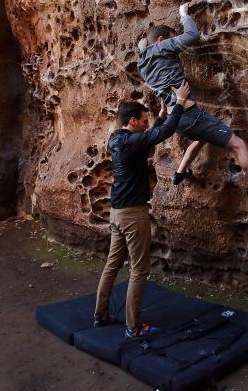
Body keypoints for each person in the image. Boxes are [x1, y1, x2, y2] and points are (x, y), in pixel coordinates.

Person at [137, 3, 248, 204]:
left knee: (201, 137)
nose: (175, 43)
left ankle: (179, 173)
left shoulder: (142, 63)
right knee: (238, 144)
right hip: (189, 115)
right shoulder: (160, 47)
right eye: (173, 39)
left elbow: (143, 50)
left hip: (179, 120)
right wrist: (184, 15)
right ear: (162, 40)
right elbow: (192, 36)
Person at [93, 81, 190, 337]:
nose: (146, 124)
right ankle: (133, 327)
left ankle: (100, 315)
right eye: (144, 120)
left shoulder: (118, 139)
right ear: (133, 121)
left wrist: (158, 118)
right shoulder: (129, 142)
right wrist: (179, 102)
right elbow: (163, 134)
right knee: (139, 269)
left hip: (117, 212)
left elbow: (148, 138)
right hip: (133, 214)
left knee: (113, 263)